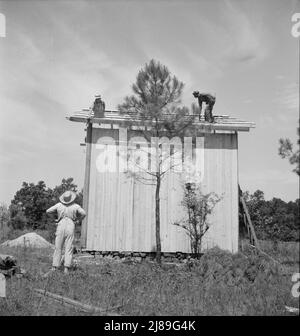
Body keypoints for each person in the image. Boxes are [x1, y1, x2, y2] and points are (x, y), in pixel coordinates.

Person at [46, 190, 86, 274]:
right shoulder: (76, 206)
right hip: (71, 224)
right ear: (71, 198)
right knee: (69, 247)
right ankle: (66, 268)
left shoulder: (59, 205)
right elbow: (83, 213)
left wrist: (55, 219)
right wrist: (78, 220)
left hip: (61, 224)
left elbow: (48, 211)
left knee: (58, 247)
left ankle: (54, 267)